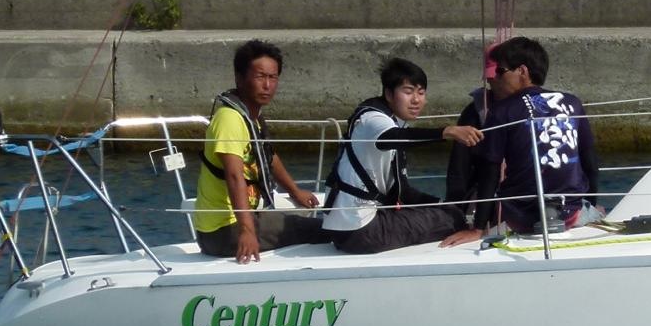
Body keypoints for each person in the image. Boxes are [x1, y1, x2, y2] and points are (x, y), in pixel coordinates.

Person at [443, 36, 599, 245]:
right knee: (594, 212)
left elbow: (490, 173)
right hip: (572, 214)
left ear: (522, 71)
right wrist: (592, 203)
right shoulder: (573, 103)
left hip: (522, 218)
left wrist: (479, 229)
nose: (494, 78)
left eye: (500, 71)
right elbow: (590, 162)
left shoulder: (502, 111)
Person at [323, 57, 486, 255]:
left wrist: (442, 204)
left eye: (421, 93)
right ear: (389, 94)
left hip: (347, 230)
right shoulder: (372, 119)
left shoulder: (390, 120)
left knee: (450, 211)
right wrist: (446, 132)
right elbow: (391, 138)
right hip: (363, 231)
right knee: (451, 219)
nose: (416, 100)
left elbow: (403, 193)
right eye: (408, 92)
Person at [194, 39, 326, 263]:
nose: (267, 85)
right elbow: (234, 176)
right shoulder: (229, 119)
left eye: (273, 77)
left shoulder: (251, 118)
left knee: (308, 224)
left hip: (237, 222)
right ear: (239, 78)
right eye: (260, 76)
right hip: (222, 230)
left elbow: (268, 157)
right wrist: (247, 231)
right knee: (319, 229)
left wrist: (294, 191)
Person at [444, 40, 507, 231]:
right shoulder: (474, 113)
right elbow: (459, 168)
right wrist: (455, 207)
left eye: (499, 74)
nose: (493, 80)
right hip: (485, 193)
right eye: (490, 76)